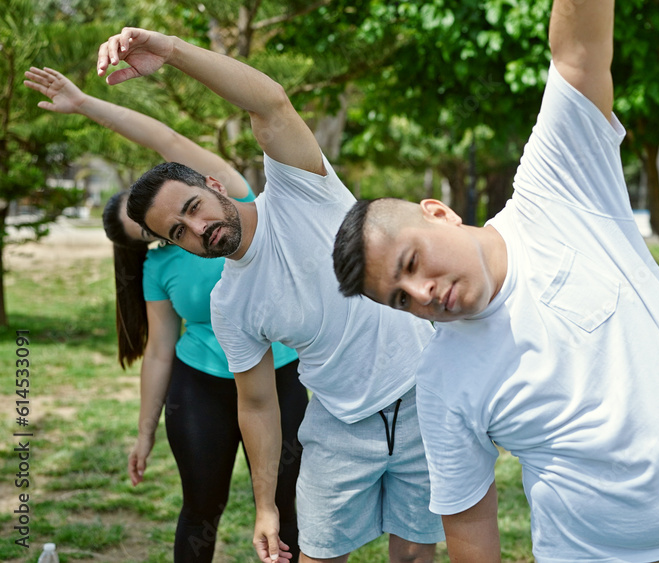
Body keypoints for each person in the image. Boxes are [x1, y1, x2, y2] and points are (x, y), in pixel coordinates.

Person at [332, 1, 659, 561]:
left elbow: (578, 49)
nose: (422, 295)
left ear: (438, 212)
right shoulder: (442, 380)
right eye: (399, 300)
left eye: (411, 265)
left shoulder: (557, 189)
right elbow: (469, 529)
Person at [95, 27, 443, 563]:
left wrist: (171, 50)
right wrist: (264, 507)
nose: (197, 229)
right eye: (178, 233)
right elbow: (257, 404)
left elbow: (270, 102)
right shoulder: (230, 304)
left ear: (213, 185)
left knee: (416, 554)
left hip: (425, 393)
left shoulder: (298, 187)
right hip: (338, 421)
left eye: (192, 208)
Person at [23, 66, 309, 562]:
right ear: (145, 239)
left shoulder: (227, 202)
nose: (176, 225)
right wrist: (145, 429)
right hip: (202, 386)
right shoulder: (162, 265)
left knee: (291, 506)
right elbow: (158, 352)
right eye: (148, 229)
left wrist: (86, 104)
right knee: (201, 508)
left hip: (280, 376)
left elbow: (165, 137)